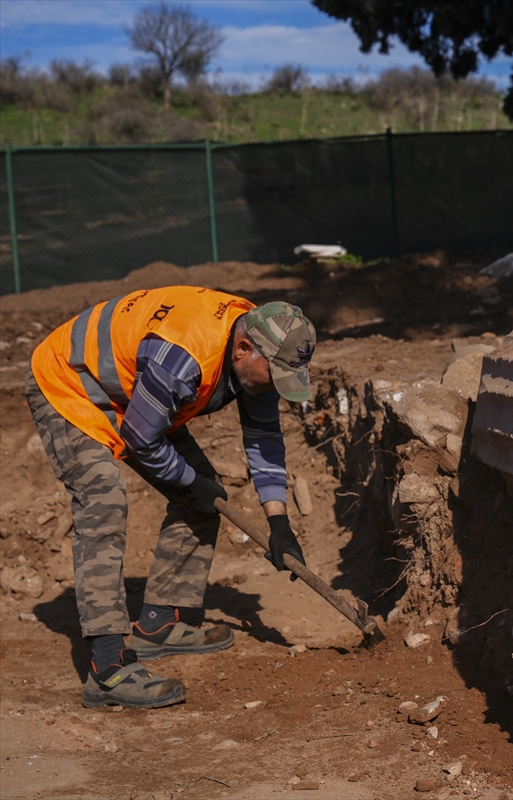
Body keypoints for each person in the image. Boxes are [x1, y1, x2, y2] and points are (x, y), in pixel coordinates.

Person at [27, 286, 316, 709]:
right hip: (69, 383)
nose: (277, 386)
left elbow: (264, 437)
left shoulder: (266, 340)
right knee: (104, 501)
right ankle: (107, 669)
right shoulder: (184, 356)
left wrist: (279, 521)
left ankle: (158, 623)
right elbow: (141, 440)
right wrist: (189, 481)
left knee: (204, 490)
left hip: (132, 391)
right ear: (242, 349)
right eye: (275, 376)